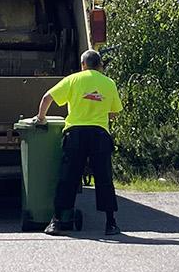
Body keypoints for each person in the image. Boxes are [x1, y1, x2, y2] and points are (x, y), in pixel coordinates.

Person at [37, 49, 123, 236]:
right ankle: (111, 223)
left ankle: (57, 222)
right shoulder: (109, 83)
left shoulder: (73, 79)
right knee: (104, 178)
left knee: (68, 178)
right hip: (99, 135)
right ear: (99, 65)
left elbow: (46, 98)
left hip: (75, 134)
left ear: (83, 64)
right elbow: (115, 112)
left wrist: (41, 119)